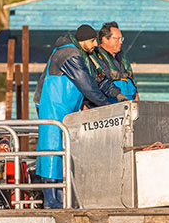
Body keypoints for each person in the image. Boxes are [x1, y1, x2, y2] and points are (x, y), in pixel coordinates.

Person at [34, 24, 121, 208]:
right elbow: (86, 85)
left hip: (66, 111)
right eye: (93, 41)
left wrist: (116, 94)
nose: (95, 44)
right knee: (52, 151)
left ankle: (61, 198)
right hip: (53, 109)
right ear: (83, 41)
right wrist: (106, 106)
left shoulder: (84, 55)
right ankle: (51, 199)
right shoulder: (69, 55)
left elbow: (98, 79)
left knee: (64, 152)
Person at [97, 22, 138, 102]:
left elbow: (132, 81)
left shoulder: (122, 59)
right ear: (105, 39)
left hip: (129, 105)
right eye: (117, 39)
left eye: (121, 39)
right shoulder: (96, 59)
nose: (121, 42)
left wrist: (136, 99)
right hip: (110, 105)